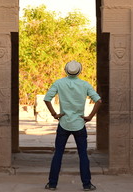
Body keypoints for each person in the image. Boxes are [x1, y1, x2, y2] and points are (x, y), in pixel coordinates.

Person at [44, 60, 102, 191]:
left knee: (58, 153)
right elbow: (98, 101)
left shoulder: (59, 83)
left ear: (66, 70)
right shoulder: (84, 84)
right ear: (79, 71)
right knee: (83, 155)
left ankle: (52, 184)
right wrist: (90, 117)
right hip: (79, 124)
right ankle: (87, 184)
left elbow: (47, 99)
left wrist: (54, 114)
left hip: (64, 122)